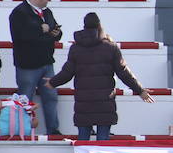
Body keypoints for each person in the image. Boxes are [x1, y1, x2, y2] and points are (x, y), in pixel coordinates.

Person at [47, 12, 155, 140]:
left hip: (84, 102)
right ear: (99, 25)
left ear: (84, 26)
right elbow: (123, 72)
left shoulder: (75, 48)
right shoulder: (110, 47)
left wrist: (52, 82)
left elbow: (67, 73)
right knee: (102, 141)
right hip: (105, 102)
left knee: (83, 141)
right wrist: (140, 90)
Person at [8, 0, 62, 136]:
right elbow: (23, 38)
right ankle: (22, 130)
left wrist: (52, 33)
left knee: (51, 97)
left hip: (46, 63)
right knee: (25, 99)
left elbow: (56, 32)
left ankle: (53, 130)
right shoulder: (19, 13)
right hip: (28, 66)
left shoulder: (47, 12)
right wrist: (43, 31)